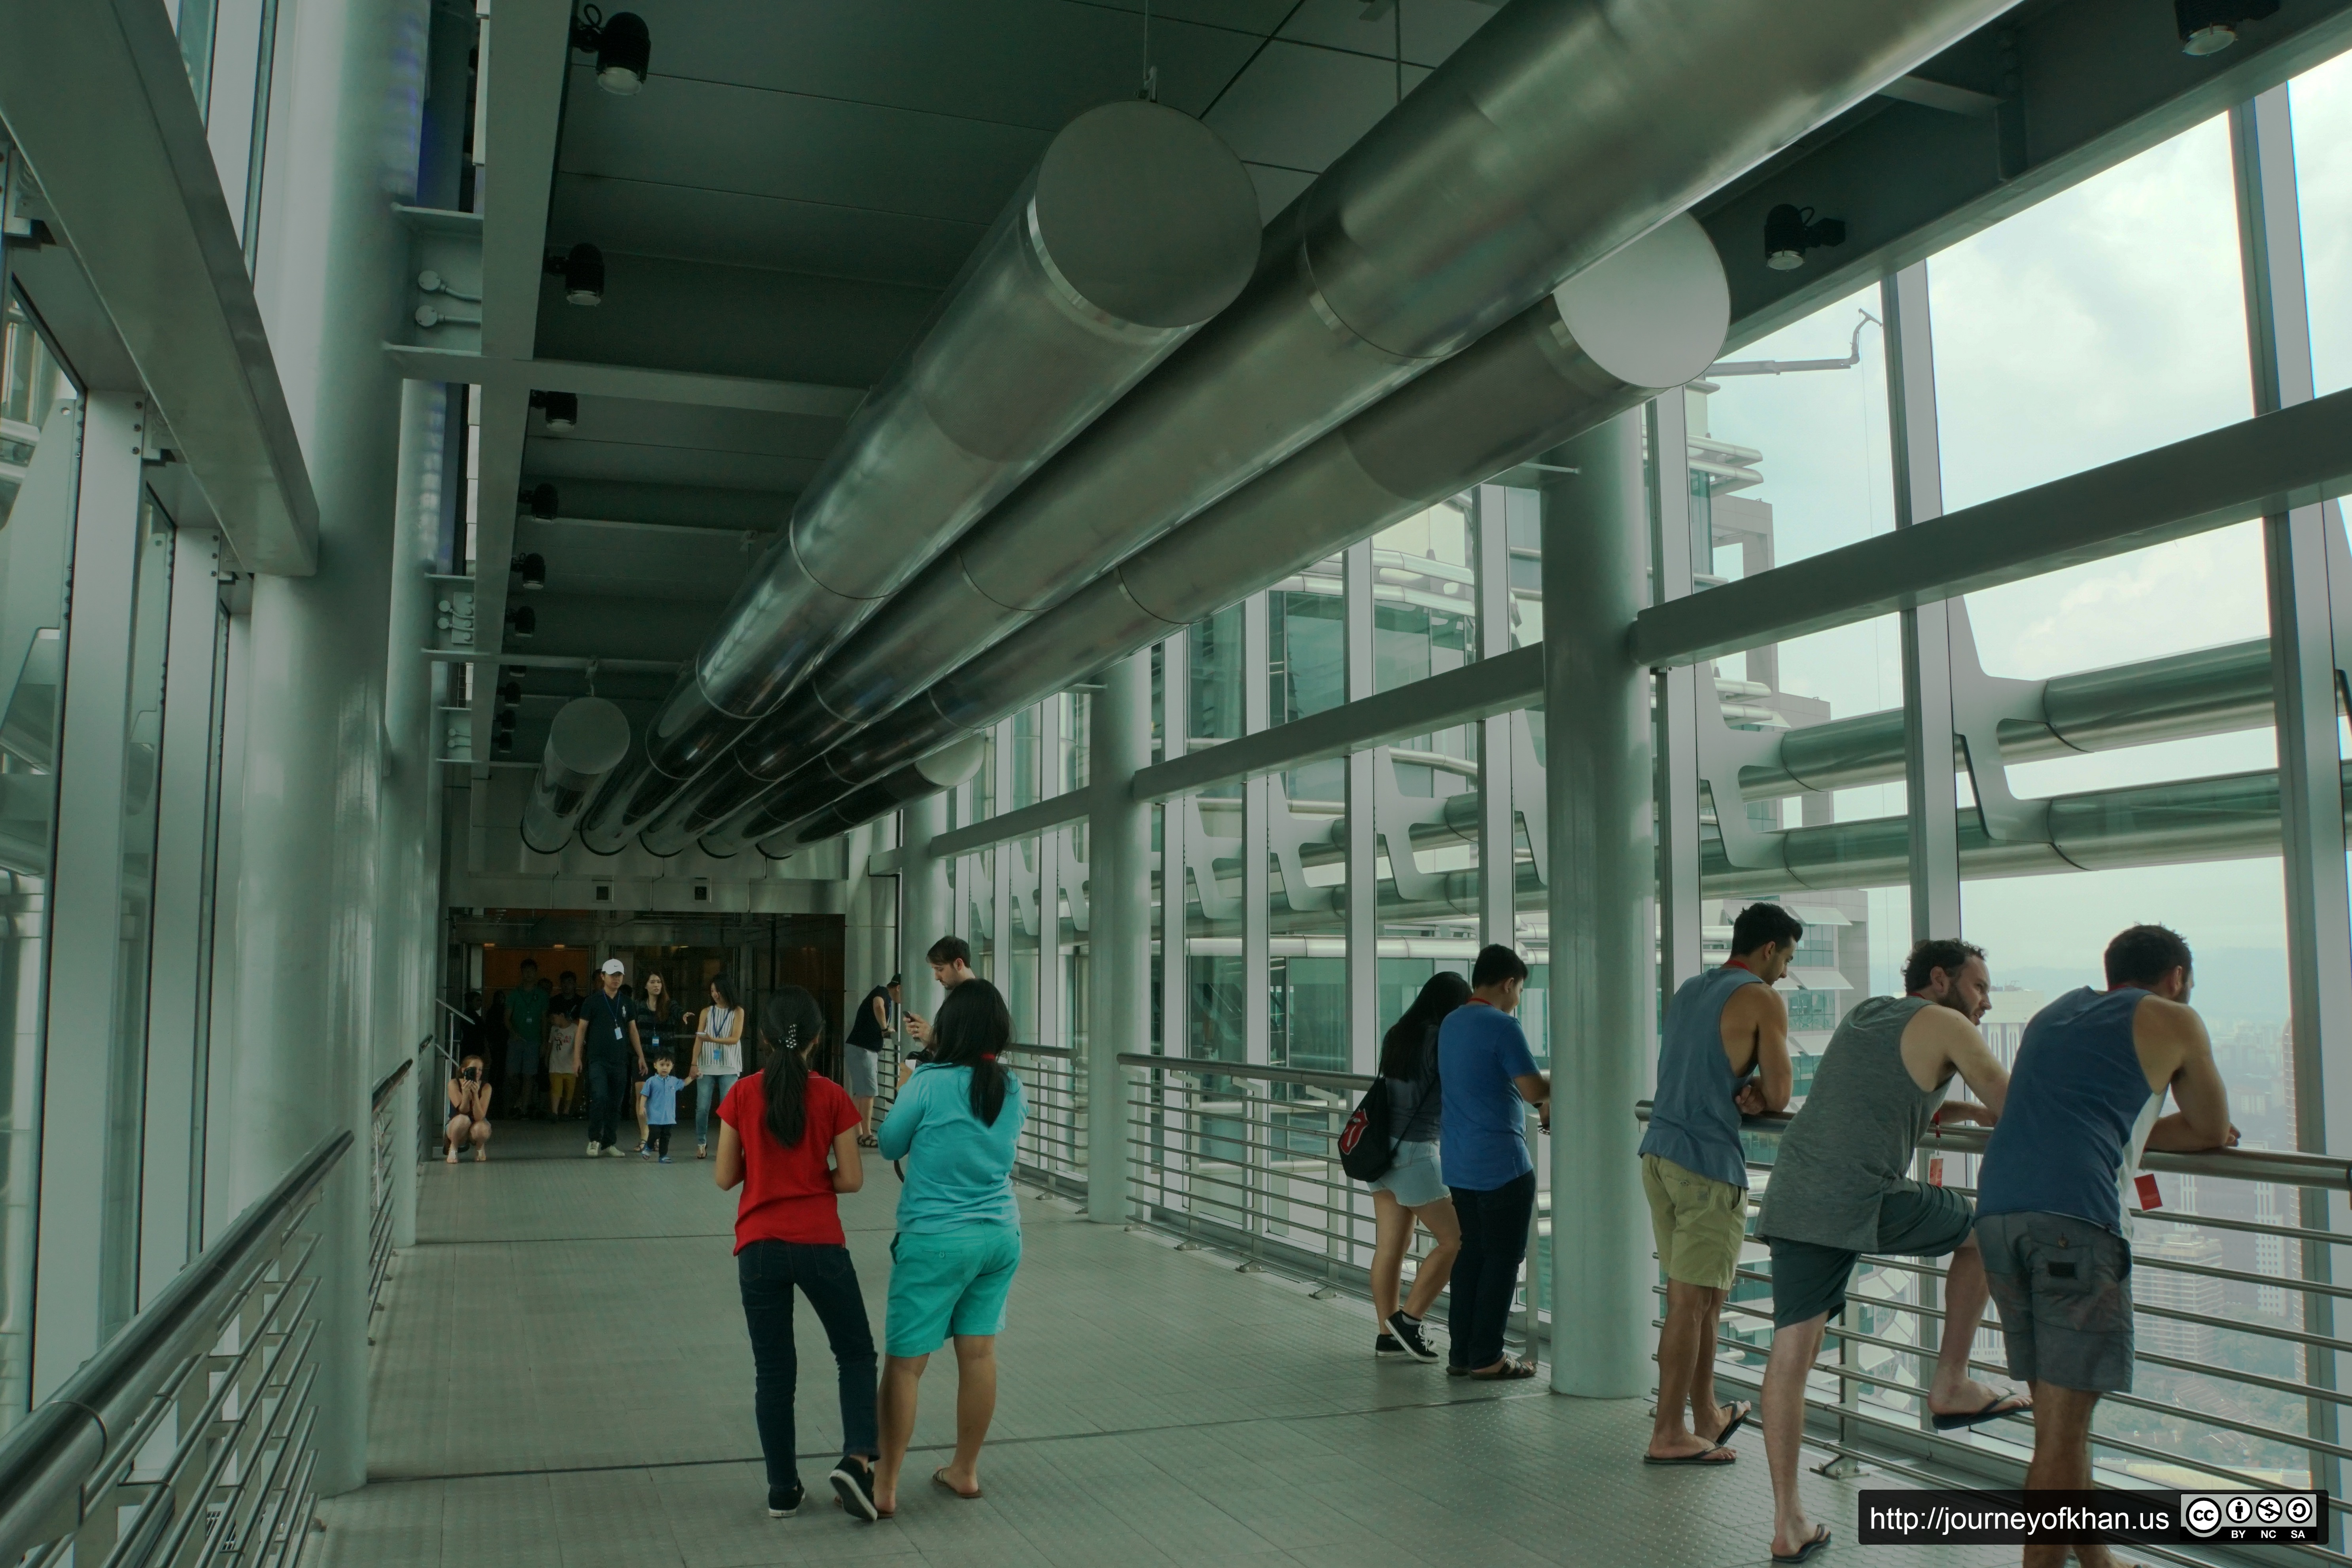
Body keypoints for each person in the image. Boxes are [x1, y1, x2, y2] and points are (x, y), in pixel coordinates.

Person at [1974, 925, 2235, 1568]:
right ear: (2176, 977)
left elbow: (2060, 1112)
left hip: (1998, 1218)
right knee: (2061, 1431)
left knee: (2058, 1420)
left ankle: (2096, 1561)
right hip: (2074, 1224)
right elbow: (2208, 1129)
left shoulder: (2052, 1013)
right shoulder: (2174, 1019)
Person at [1758, 938, 2023, 1566]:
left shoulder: (1868, 1013)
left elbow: (1887, 1096)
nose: (1985, 1001)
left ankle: (1787, 1523)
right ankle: (1951, 1383)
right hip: (1860, 1195)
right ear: (1941, 979)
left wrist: (1959, 1112)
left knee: (1791, 1351)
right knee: (1986, 1231)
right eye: (1979, 986)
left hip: (1796, 1191)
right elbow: (2012, 1101)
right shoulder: (1947, 1022)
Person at [1641, 903, 1801, 1467]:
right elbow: (1779, 1095)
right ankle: (1667, 1432)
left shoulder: (1690, 989)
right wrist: (1760, 1086)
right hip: (1706, 1163)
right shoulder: (1760, 997)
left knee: (1705, 1298)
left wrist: (1747, 1082)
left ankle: (1704, 1414)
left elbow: (1699, 1066)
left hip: (1659, 1153)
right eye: (1785, 957)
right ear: (1767, 949)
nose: (1783, 971)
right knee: (1689, 1304)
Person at [714, 985, 881, 1523]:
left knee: (773, 1371)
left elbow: (724, 1177)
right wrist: (813, 1178)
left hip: (758, 1247)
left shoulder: (741, 1094)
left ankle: (782, 1489)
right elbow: (852, 1179)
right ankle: (857, 1460)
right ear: (817, 1039)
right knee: (854, 1353)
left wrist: (763, 1173)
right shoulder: (831, 1095)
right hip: (820, 1244)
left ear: (761, 1039)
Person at [874, 978, 1027, 1515]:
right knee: (979, 1352)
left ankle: (886, 1484)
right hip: (999, 1235)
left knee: (903, 1366)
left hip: (936, 1239)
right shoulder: (1010, 1086)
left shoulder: (928, 1080)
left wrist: (909, 1083)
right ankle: (964, 1469)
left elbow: (889, 1143)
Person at [1436, 944, 1549, 1381]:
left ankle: (1462, 1353)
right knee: (1502, 1261)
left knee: (1472, 1256)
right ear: (1508, 983)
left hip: (1459, 1164)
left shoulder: (1452, 1022)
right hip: (1502, 1165)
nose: (1517, 997)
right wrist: (1554, 1090)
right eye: (1519, 988)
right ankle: (1488, 1357)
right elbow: (1532, 1088)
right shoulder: (1503, 1026)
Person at [1365, 972, 1468, 1364]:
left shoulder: (1399, 1033)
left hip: (1380, 1151)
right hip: (1414, 1151)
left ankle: (1386, 1335)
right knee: (1455, 1240)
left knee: (1390, 1248)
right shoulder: (1440, 1037)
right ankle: (1409, 1320)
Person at [576, 957, 646, 1157]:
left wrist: (640, 1055)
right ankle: (594, 1140)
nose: (616, 979)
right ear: (603, 977)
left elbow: (633, 1030)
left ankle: (609, 1142)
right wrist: (577, 1057)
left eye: (619, 975)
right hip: (597, 1059)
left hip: (620, 1060)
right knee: (599, 1097)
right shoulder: (592, 1001)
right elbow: (581, 1030)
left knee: (616, 1102)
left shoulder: (627, 1002)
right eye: (612, 975)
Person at [693, 975, 746, 1159]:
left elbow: (735, 1038)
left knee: (729, 1109)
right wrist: (694, 1064)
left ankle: (729, 1146)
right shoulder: (706, 1012)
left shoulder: (738, 1011)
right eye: (712, 990)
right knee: (702, 1107)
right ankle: (701, 1143)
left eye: (718, 990)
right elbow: (699, 1039)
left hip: (729, 1066)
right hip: (706, 1065)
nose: (715, 994)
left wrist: (712, 1040)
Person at [844, 974, 896, 1148]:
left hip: (859, 1048)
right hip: (863, 1050)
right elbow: (878, 1006)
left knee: (861, 1093)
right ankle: (866, 1134)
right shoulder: (882, 992)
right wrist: (885, 1029)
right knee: (868, 1093)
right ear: (899, 988)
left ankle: (858, 1133)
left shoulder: (882, 994)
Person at [903, 936, 973, 1049]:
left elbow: (968, 1048)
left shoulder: (979, 998)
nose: (936, 977)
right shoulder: (960, 996)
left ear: (959, 964)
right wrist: (925, 1035)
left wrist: (933, 1037)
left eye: (940, 969)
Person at [503, 961, 547, 1120]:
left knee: (530, 1075)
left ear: (536, 973)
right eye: (525, 971)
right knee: (511, 1074)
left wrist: (544, 1042)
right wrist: (513, 1033)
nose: (528, 974)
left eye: (531, 971)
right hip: (516, 1040)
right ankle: (522, 1098)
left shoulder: (542, 995)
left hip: (534, 1040)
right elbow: (506, 1018)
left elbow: (544, 1020)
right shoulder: (514, 994)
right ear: (521, 973)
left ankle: (523, 1110)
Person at [446, 1054, 493, 1162]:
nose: (477, 1073)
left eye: (480, 1070)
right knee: (463, 1120)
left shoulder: (486, 1087)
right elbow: (463, 1111)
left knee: (482, 1128)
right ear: (464, 1070)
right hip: (457, 1124)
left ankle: (480, 1147)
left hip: (477, 1123)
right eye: (474, 1069)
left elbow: (480, 1117)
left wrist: (476, 1095)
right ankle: (453, 1147)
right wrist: (466, 1094)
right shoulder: (454, 1084)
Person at [640, 1054, 685, 1162]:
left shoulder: (674, 1081)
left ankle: (663, 1156)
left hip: (669, 1117)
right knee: (655, 1133)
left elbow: (684, 1083)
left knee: (666, 1136)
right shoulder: (651, 1081)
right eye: (662, 1065)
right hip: (655, 1115)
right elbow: (644, 1095)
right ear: (655, 1066)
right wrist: (642, 1107)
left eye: (668, 1065)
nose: (665, 1068)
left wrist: (693, 1077)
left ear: (672, 1066)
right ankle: (649, 1147)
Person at [545, 989, 579, 1119]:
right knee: (556, 1089)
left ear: (562, 1015)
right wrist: (547, 1058)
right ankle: (554, 1112)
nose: (553, 1020)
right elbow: (550, 1044)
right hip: (556, 1064)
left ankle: (566, 1112)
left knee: (570, 1091)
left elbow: (579, 1046)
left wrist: (578, 1060)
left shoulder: (575, 1029)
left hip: (570, 1065)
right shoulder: (554, 1029)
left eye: (555, 1017)